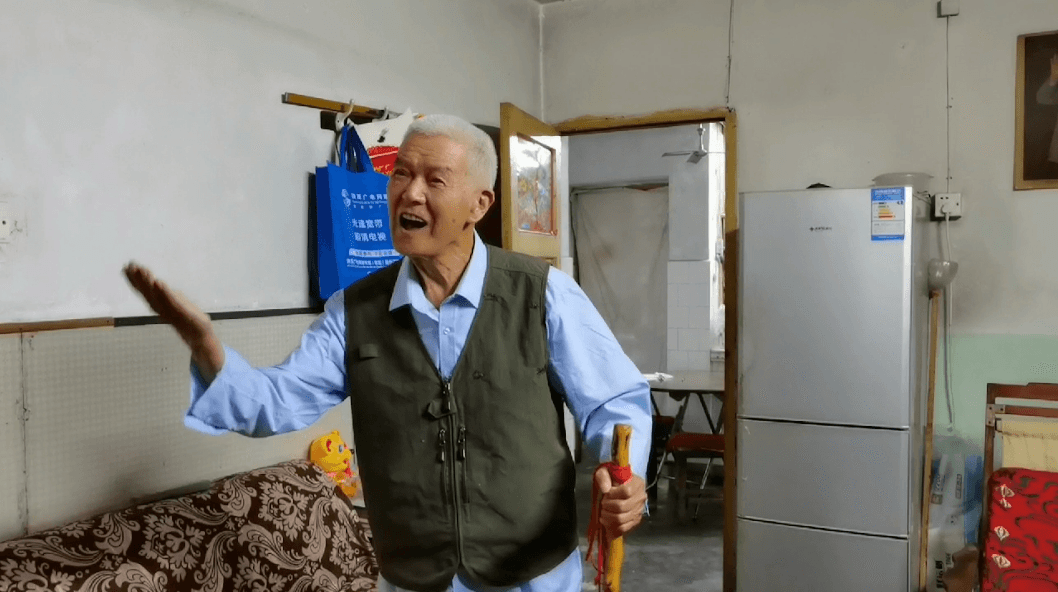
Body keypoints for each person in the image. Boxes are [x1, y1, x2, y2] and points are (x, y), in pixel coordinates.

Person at [123, 114, 651, 592]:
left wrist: (623, 476)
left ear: (479, 204)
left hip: (532, 578)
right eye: (401, 174)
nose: (410, 193)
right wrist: (207, 346)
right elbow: (277, 401)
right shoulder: (353, 311)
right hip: (413, 579)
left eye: (434, 180)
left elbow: (615, 401)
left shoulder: (542, 294)